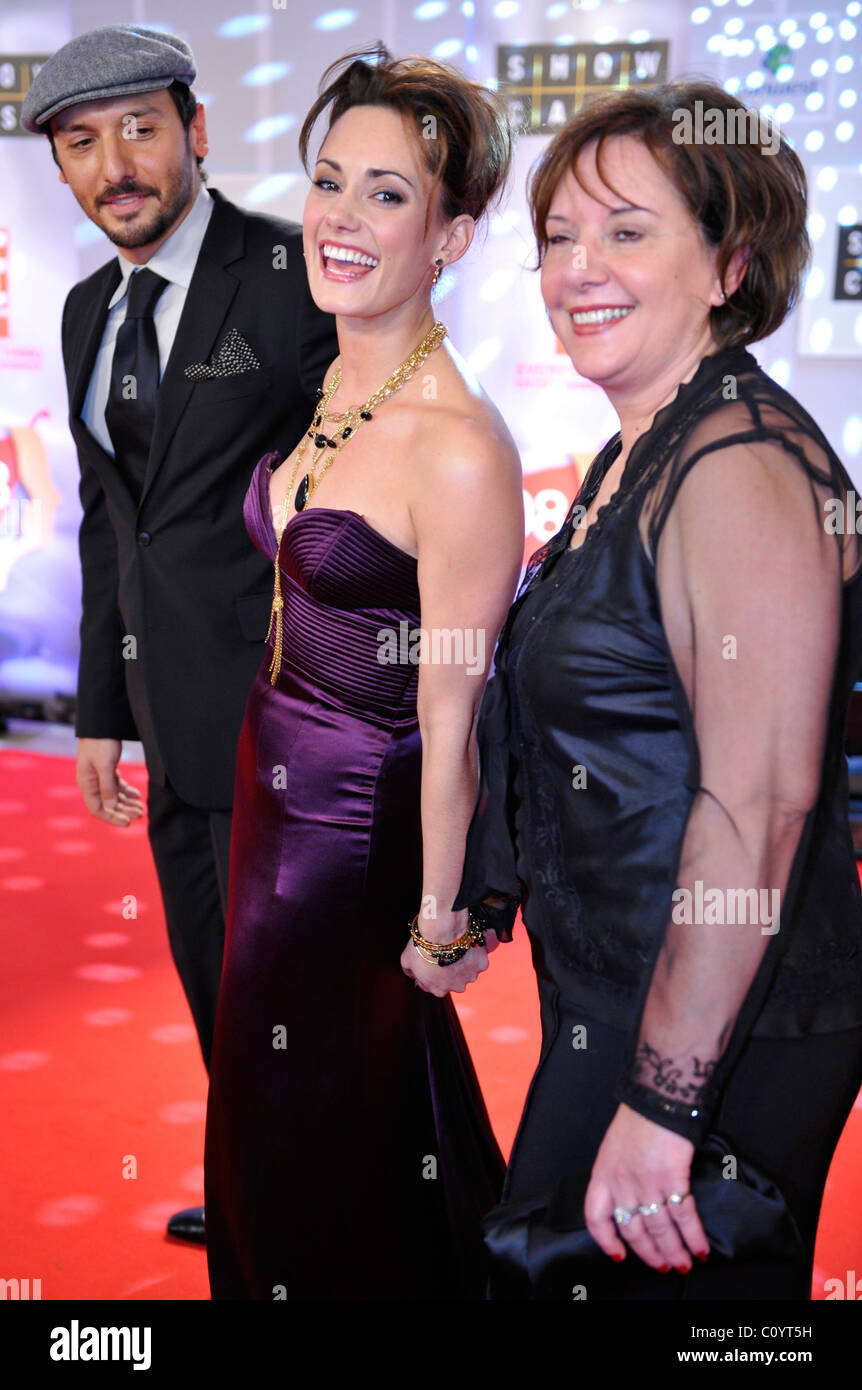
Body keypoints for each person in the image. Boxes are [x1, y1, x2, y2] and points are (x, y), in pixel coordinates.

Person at [452, 81, 862, 1299]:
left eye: (626, 232)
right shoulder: (645, 443)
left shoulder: (738, 464)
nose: (580, 266)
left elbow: (761, 805)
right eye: (560, 237)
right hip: (621, 984)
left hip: (719, 1023)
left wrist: (662, 1104)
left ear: (730, 262)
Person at [203, 45, 524, 1299]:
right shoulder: (338, 369)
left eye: (388, 194)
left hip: (353, 830)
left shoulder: (458, 448)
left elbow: (454, 716)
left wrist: (442, 915)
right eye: (329, 181)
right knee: (262, 1103)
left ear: (450, 235)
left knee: (334, 1112)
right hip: (269, 789)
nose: (340, 217)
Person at [22, 25, 339, 1245]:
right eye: (81, 144)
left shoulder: (295, 268)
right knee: (215, 978)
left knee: (304, 988)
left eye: (141, 128)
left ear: (197, 132)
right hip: (169, 726)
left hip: (292, 719)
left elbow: (364, 480)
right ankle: (267, 1184)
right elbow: (117, 526)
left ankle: (334, 1210)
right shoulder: (85, 308)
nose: (116, 166)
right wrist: (103, 707)